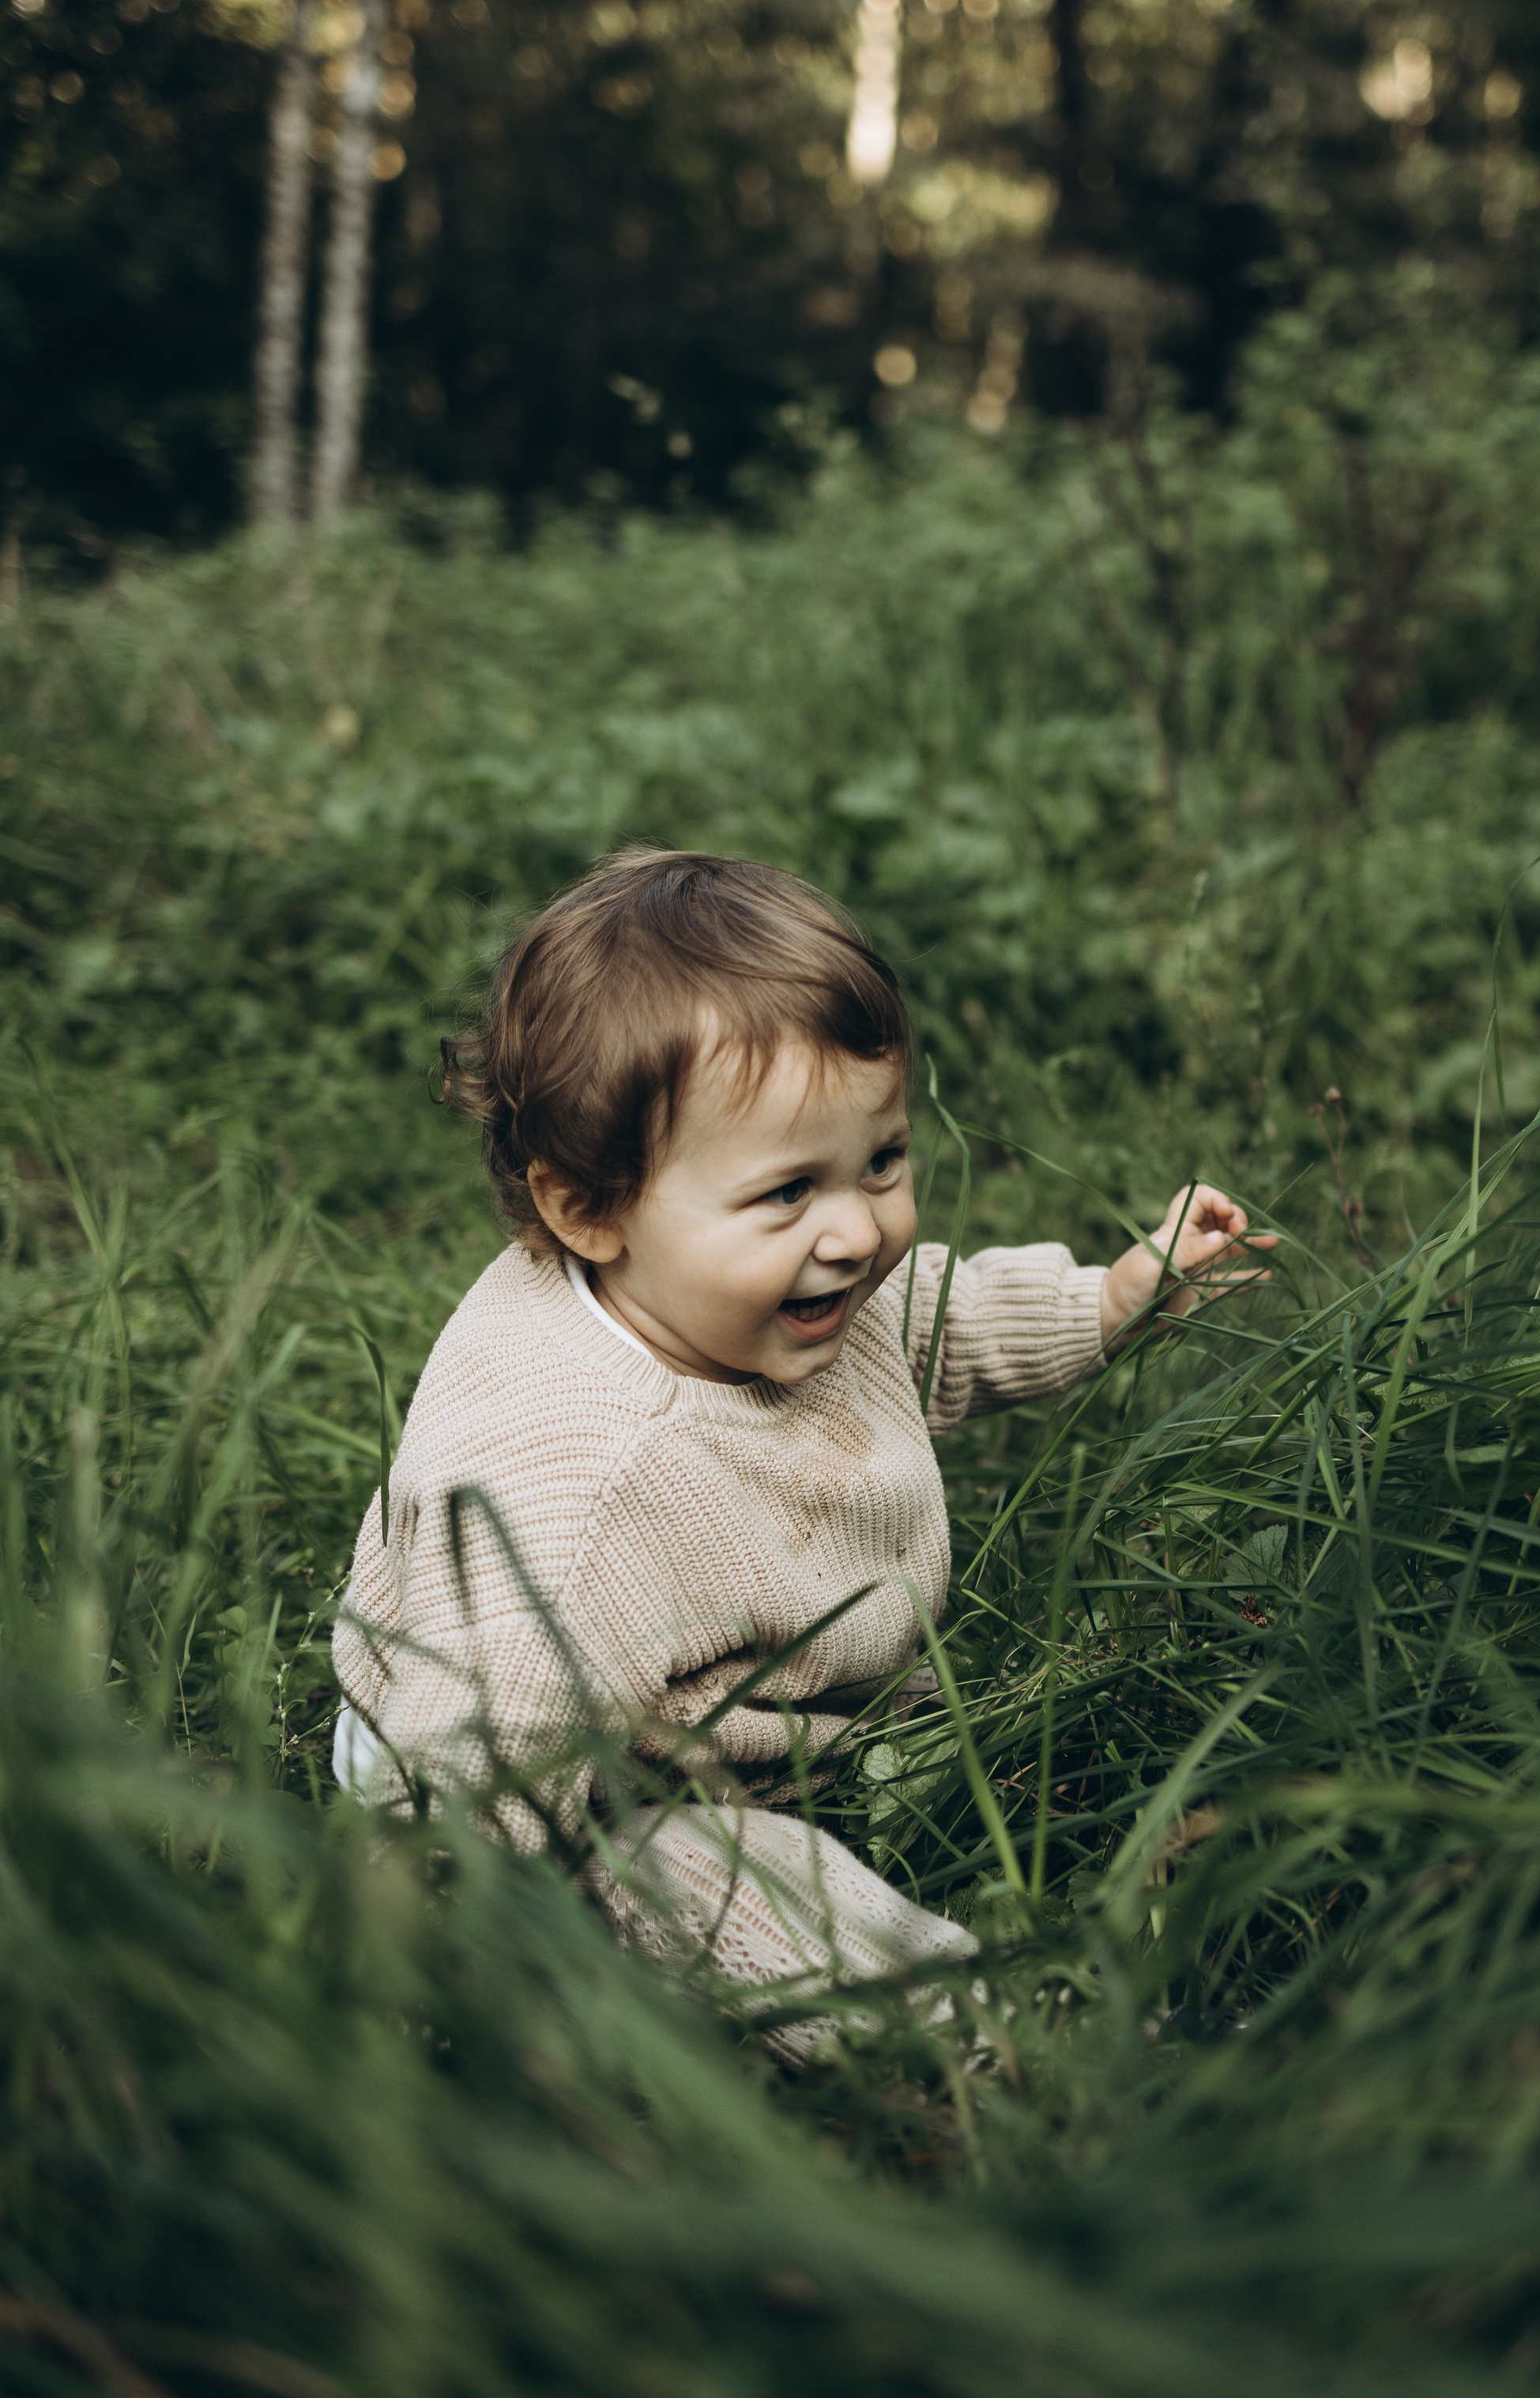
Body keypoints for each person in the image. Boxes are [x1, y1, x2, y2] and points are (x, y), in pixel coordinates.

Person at [333, 849, 1271, 2046]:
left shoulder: (757, 1298)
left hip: (742, 1712)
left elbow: (929, 1321)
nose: (856, 1231)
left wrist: (1110, 1301)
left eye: (881, 1161)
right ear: (589, 1210)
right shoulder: (581, 1498)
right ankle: (987, 2033)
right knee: (728, 1886)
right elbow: (477, 1749)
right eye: (787, 1192)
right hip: (559, 1779)